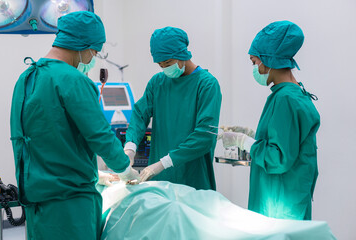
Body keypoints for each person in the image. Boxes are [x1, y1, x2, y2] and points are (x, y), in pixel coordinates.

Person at [10, 11, 139, 239]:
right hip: (70, 206)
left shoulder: (26, 78)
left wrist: (97, 174)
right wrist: (126, 171)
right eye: (95, 52)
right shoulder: (73, 80)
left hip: (36, 203)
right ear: (83, 46)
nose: (93, 58)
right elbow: (101, 137)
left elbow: (46, 144)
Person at [219, 21, 320, 220]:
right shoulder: (293, 93)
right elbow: (287, 141)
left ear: (268, 59)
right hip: (288, 195)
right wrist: (252, 135)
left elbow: (279, 158)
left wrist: (243, 142)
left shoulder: (285, 100)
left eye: (254, 62)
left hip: (280, 202)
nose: (254, 68)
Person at [124, 26, 222, 190]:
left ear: (182, 54)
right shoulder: (158, 83)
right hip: (159, 180)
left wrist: (163, 163)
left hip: (193, 179)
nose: (164, 68)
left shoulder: (207, 84)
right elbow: (140, 115)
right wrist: (130, 150)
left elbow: (205, 136)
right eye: (160, 64)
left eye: (168, 62)